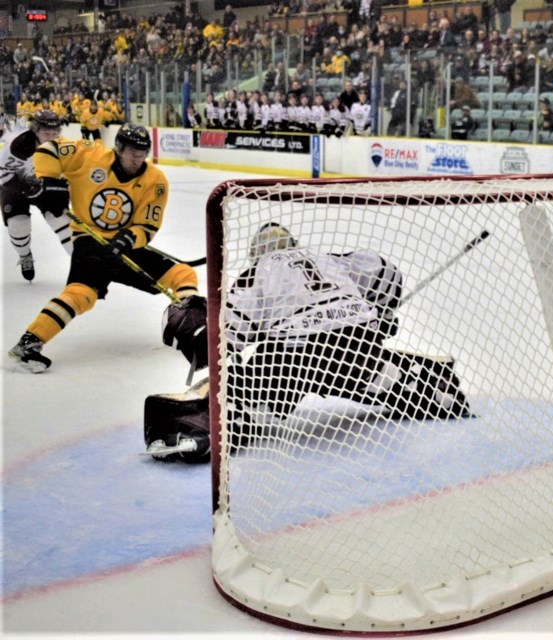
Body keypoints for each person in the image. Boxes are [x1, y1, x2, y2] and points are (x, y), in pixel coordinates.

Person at [146, 224, 472, 462]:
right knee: (358, 369)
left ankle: (217, 420)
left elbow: (230, 330)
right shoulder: (328, 258)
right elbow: (384, 271)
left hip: (298, 355)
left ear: (256, 253)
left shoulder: (256, 272)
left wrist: (209, 345)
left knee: (244, 379)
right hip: (359, 342)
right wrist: (382, 312)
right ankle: (425, 386)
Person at [8, 124, 202, 373]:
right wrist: (49, 181)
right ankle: (194, 332)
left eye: (142, 151)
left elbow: (147, 225)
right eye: (132, 151)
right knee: (80, 294)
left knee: (181, 275)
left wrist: (130, 238)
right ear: (118, 147)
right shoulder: (89, 154)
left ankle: (30, 341)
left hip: (121, 247)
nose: (137, 157)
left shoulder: (156, 181)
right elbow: (49, 149)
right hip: (89, 242)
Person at [0, 109, 73, 281]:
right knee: (18, 225)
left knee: (62, 222)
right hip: (15, 188)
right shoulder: (19, 145)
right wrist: (25, 186)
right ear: (35, 130)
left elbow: (69, 174)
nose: (51, 138)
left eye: (55, 133)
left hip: (45, 186)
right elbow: (3, 173)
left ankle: (81, 265)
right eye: (46, 133)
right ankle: (25, 255)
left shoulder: (62, 147)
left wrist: (63, 188)